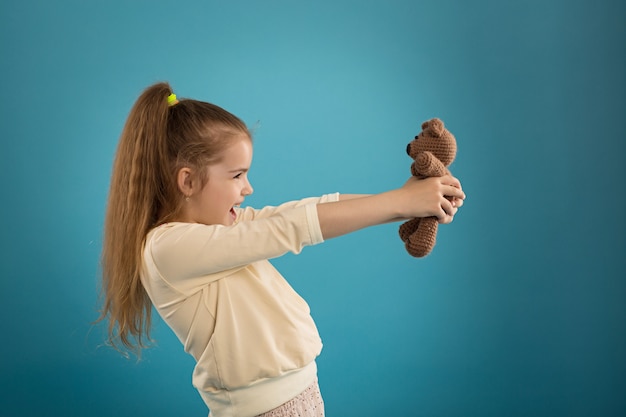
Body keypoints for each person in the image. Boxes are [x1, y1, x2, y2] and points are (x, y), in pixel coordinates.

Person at [98, 81, 465, 417]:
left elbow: (300, 211)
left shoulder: (219, 229)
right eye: (237, 175)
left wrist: (409, 201)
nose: (248, 188)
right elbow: (287, 230)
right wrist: (401, 202)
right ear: (188, 181)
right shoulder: (168, 249)